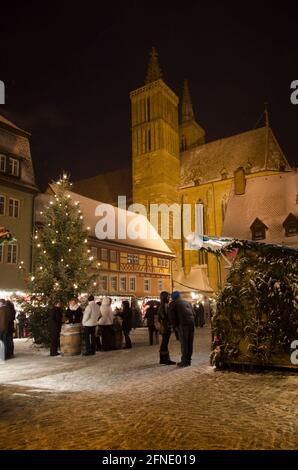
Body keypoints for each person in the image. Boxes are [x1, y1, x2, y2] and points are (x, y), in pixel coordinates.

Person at [169, 291, 195, 368]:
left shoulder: (173, 304)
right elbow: (194, 314)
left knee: (184, 343)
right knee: (190, 343)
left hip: (182, 325)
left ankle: (184, 361)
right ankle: (188, 360)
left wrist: (174, 326)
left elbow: (172, 316)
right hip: (191, 324)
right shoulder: (187, 302)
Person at [156, 291, 175, 365]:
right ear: (164, 297)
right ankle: (166, 359)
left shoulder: (161, 305)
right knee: (165, 343)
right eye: (168, 297)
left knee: (164, 342)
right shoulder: (165, 305)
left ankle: (162, 359)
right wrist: (171, 323)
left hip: (164, 326)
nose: (169, 298)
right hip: (166, 326)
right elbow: (166, 316)